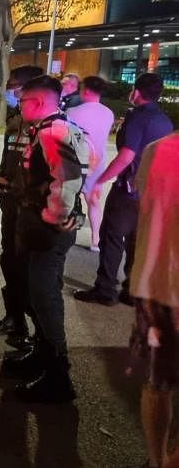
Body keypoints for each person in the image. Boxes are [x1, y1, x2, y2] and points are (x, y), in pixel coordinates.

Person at [2, 74, 89, 404]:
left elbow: (68, 179)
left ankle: (57, 375)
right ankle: (42, 356)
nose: (18, 105)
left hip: (46, 228)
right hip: (39, 223)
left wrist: (54, 218)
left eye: (21, 100)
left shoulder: (54, 132)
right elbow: (88, 165)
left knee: (45, 296)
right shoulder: (57, 128)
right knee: (38, 294)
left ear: (36, 102)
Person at [73, 73, 174, 307]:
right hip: (152, 190)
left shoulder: (138, 118)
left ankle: (105, 289)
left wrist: (100, 180)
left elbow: (127, 155)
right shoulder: (164, 120)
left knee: (112, 237)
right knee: (137, 240)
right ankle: (132, 290)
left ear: (137, 92)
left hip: (128, 188)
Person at [125, 132, 179, 468]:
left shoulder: (158, 149)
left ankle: (158, 459)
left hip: (157, 283)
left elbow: (143, 204)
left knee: (157, 383)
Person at [0, 65, 43, 348]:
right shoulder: (15, 123)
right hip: (10, 206)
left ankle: (41, 333)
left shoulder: (48, 126)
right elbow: (6, 164)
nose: (10, 91)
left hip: (32, 212)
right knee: (10, 263)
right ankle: (14, 320)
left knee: (29, 271)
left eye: (14, 86)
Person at [66, 76, 114, 251]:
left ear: (85, 90)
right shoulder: (108, 113)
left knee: (69, 198)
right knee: (93, 201)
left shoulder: (72, 112)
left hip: (76, 161)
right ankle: (96, 240)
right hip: (98, 163)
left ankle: (67, 233)